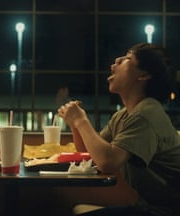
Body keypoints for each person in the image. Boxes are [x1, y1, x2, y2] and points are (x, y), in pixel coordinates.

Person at [58, 43, 180, 216]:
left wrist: (81, 120)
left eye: (127, 59)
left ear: (143, 75)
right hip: (149, 208)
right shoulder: (124, 115)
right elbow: (91, 154)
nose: (116, 61)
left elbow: (107, 162)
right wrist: (75, 124)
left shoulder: (146, 114)